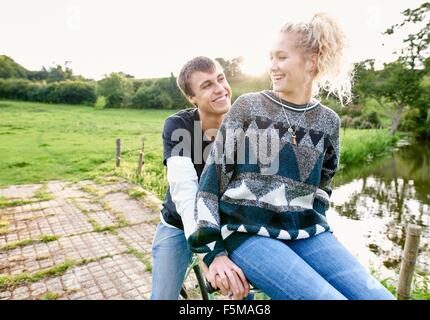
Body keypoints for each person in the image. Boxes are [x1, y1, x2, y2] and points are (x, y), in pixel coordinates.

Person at [188, 13, 396, 300]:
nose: (272, 66)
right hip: (246, 231)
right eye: (270, 57)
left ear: (311, 61)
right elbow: (211, 184)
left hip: (307, 232)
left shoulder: (328, 121)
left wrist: (316, 219)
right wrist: (213, 253)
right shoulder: (248, 107)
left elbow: (324, 185)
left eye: (281, 57)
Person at [150, 56, 249, 300]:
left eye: (220, 78)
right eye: (206, 85)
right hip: (179, 223)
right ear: (191, 97)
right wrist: (208, 252)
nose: (219, 89)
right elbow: (185, 194)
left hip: (224, 224)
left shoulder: (244, 125)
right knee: (162, 296)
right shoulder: (179, 125)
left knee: (241, 296)